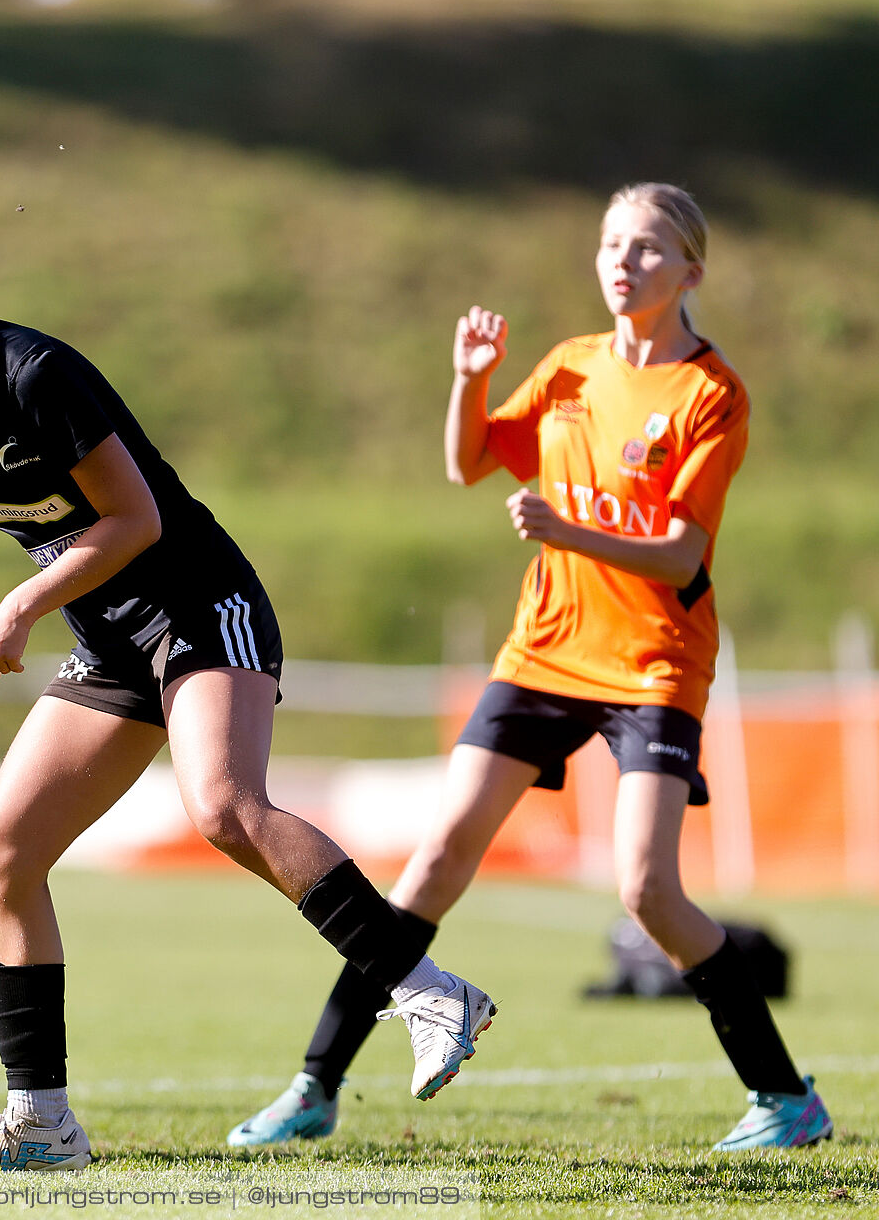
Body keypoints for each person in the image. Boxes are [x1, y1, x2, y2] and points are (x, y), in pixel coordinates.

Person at [0, 253, 495, 1175]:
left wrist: (17, 608)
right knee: (1, 853)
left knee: (226, 810)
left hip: (202, 608)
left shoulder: (38, 374)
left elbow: (136, 522)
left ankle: (431, 991)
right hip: (114, 642)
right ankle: (41, 1121)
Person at [227, 184, 833, 1152]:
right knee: (431, 862)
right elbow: (467, 463)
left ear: (690, 271)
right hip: (543, 651)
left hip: (650, 664)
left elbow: (682, 554)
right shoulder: (565, 368)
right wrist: (469, 378)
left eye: (644, 248)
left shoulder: (708, 393)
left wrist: (568, 528)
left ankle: (783, 1098)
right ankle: (313, 1085)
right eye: (608, 244)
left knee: (646, 890)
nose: (619, 262)